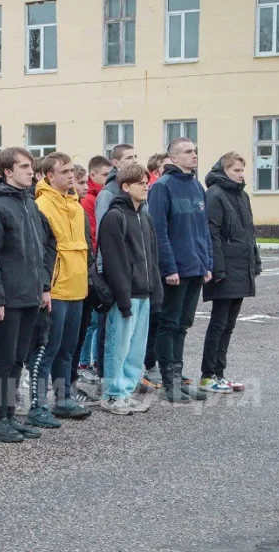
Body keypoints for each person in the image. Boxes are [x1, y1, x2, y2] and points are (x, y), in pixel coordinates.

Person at [0, 147, 48, 443]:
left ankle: (9, 415)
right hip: (7, 298)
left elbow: (38, 251)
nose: (31, 172)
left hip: (30, 294)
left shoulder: (29, 203)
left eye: (31, 167)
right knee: (2, 359)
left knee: (18, 358)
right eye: (24, 167)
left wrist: (44, 287)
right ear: (7, 172)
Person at [27, 152, 92, 427]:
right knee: (47, 349)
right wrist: (45, 287)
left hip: (77, 287)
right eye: (64, 171)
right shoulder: (41, 205)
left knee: (68, 348)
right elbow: (40, 252)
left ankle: (63, 398)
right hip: (55, 289)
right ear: (49, 176)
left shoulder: (76, 206)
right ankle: (38, 403)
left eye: (71, 171)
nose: (70, 175)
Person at [148, 138, 213, 404]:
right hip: (176, 270)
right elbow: (159, 231)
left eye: (195, 151)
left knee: (183, 325)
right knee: (169, 323)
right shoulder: (162, 187)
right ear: (173, 158)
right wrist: (169, 267)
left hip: (196, 267)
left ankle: (179, 377)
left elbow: (203, 229)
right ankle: (168, 382)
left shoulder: (197, 186)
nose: (194, 155)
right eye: (187, 152)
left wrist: (207, 263)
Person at [98, 164, 163, 415]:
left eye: (146, 182)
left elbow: (152, 257)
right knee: (118, 347)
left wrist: (155, 292)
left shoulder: (144, 216)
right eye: (140, 183)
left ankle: (125, 391)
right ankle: (113, 395)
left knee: (135, 349)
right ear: (126, 187)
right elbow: (114, 262)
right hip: (126, 295)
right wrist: (123, 298)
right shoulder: (115, 216)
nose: (146, 186)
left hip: (144, 294)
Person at [200, 152, 259, 394]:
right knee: (218, 322)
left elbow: (248, 233)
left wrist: (254, 262)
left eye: (243, 170)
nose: (241, 174)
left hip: (240, 268)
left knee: (229, 324)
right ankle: (207, 375)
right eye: (236, 170)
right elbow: (211, 234)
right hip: (224, 269)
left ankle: (219, 374)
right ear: (224, 170)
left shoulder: (242, 195)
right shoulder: (215, 194)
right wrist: (217, 268)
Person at [75, 155, 113, 387]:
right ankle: (83, 362)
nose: (108, 179)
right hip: (92, 264)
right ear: (93, 176)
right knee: (90, 322)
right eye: (105, 175)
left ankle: (89, 362)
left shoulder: (100, 196)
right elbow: (93, 232)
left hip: (94, 262)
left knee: (94, 319)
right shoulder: (90, 200)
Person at [141, 152, 172, 389]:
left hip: (162, 265)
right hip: (155, 267)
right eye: (166, 166)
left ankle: (160, 363)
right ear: (156, 171)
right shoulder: (155, 191)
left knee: (162, 319)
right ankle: (149, 364)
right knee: (153, 320)